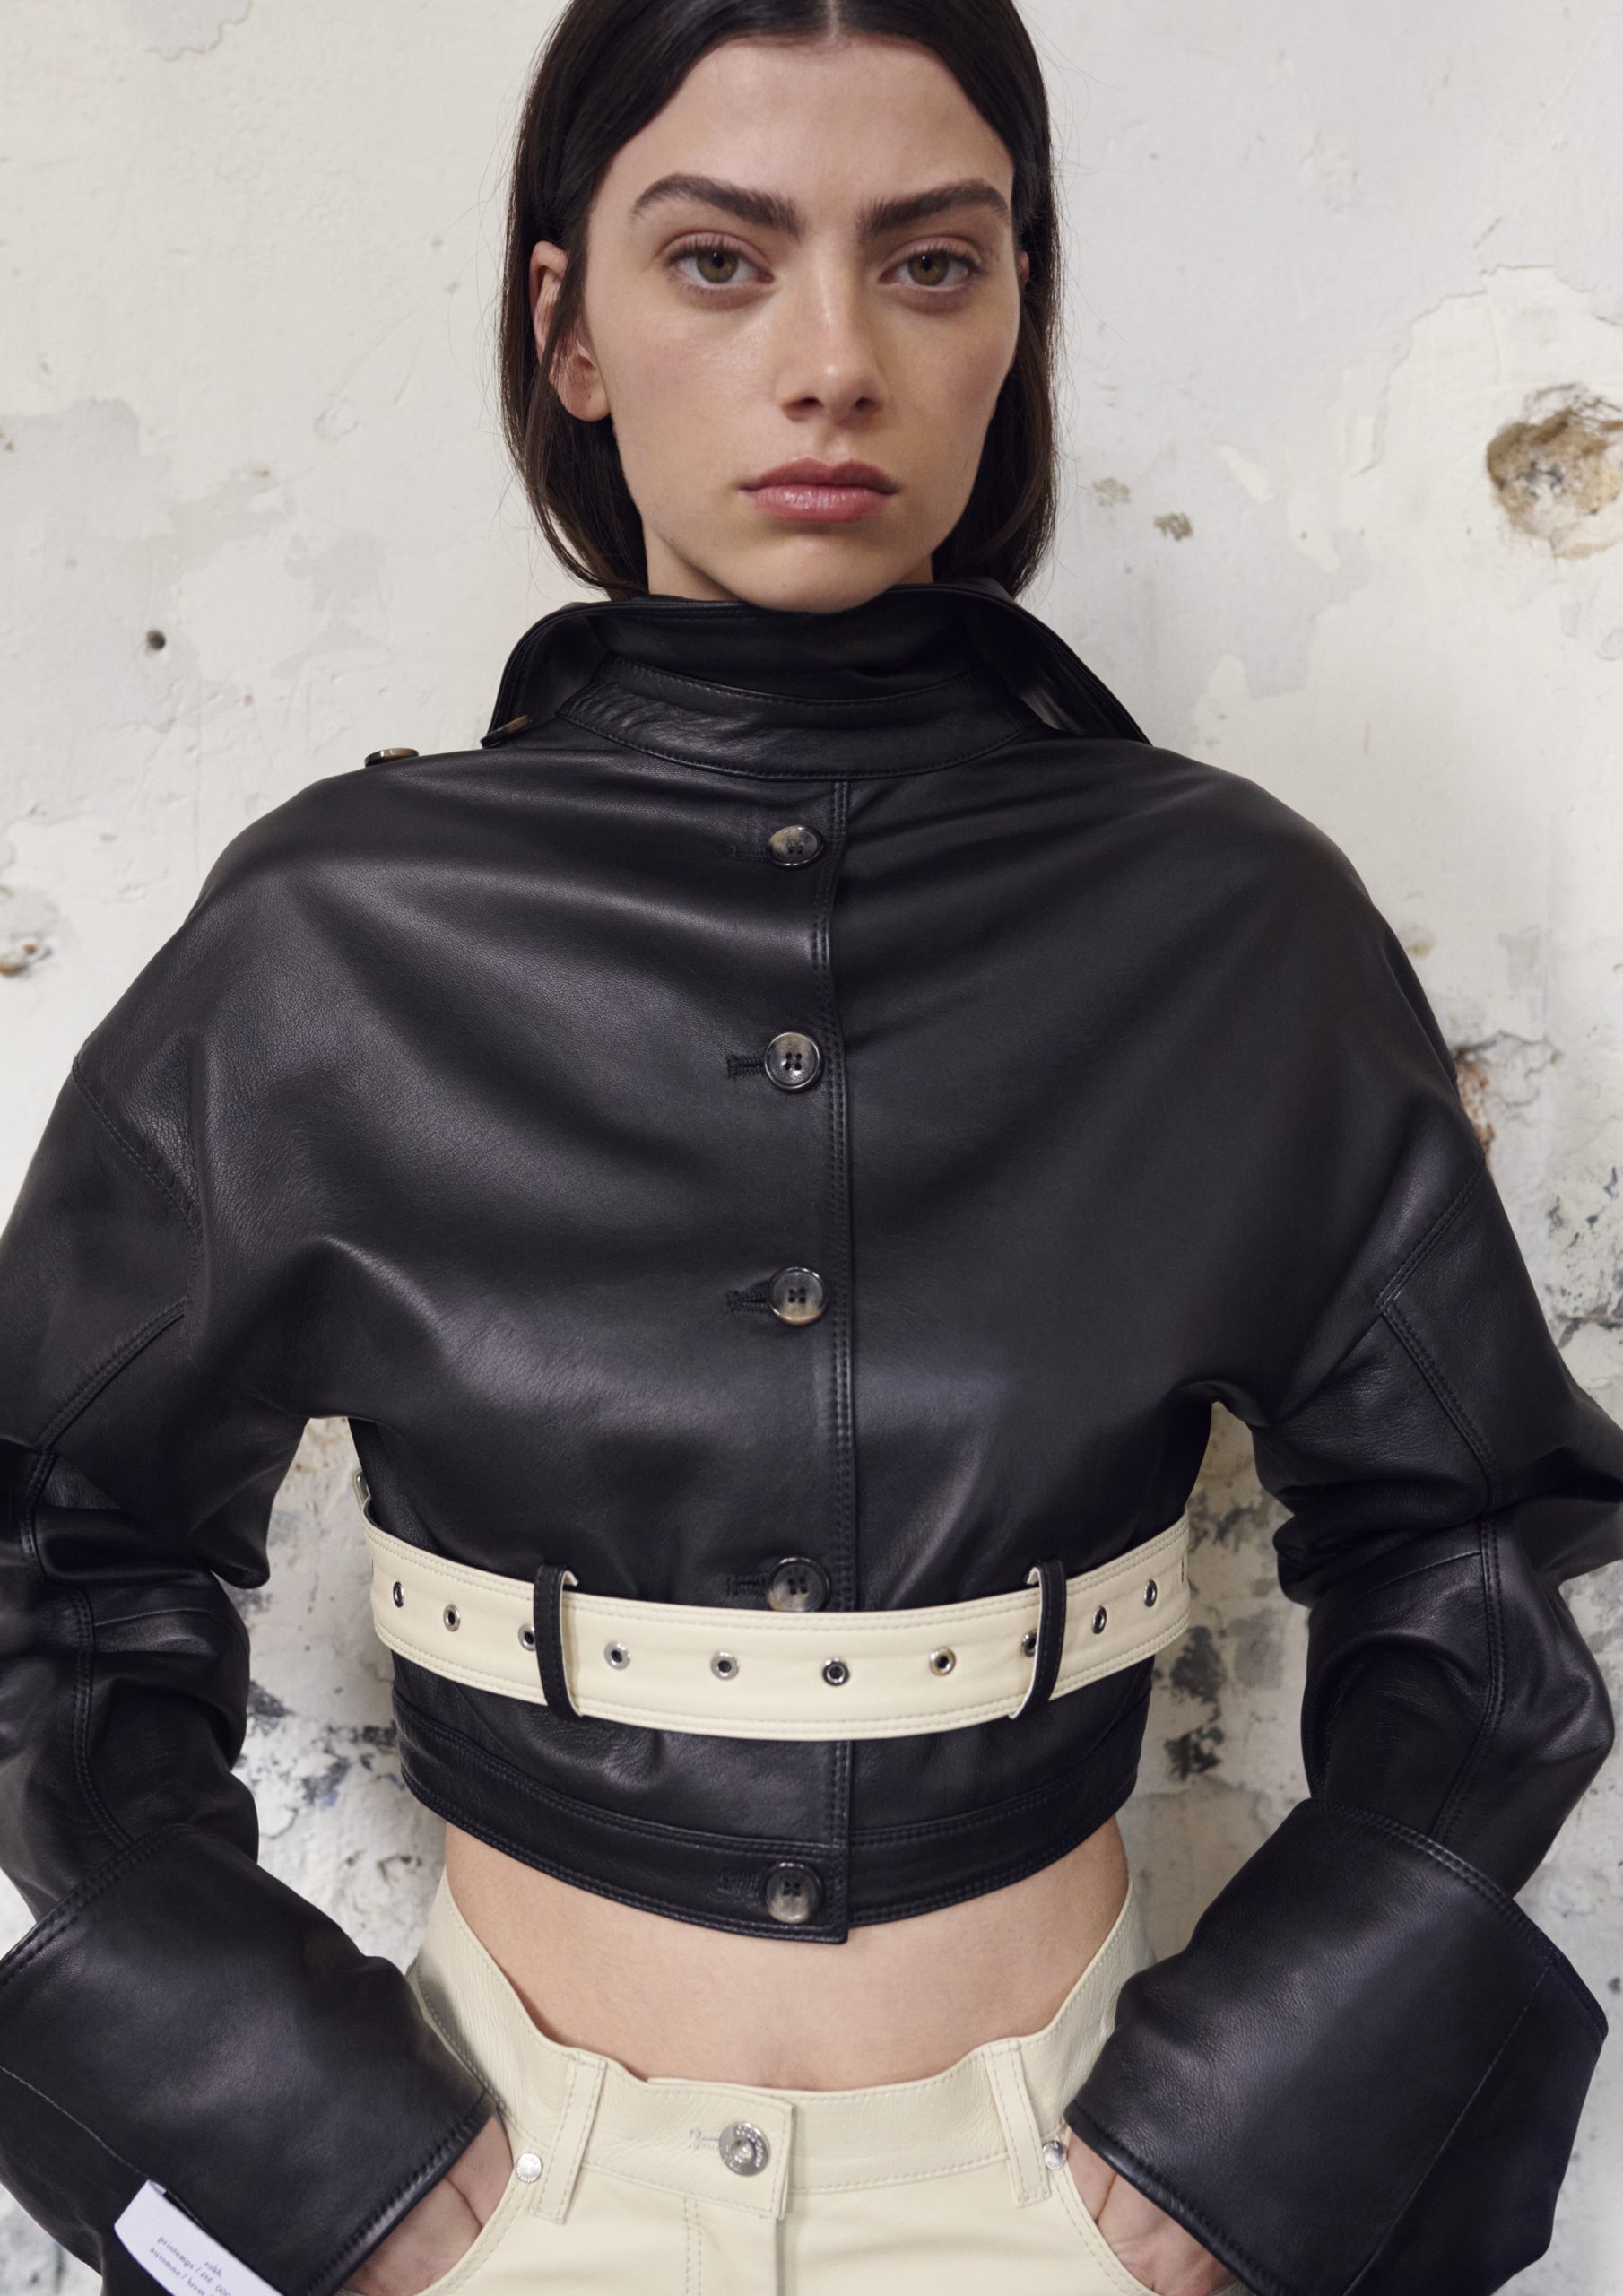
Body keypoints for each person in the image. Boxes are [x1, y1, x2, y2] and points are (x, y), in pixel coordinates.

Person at [0, 4, 1619, 2294]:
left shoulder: (1232, 920)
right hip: (475, 2202)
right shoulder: (326, 934)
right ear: (568, 325)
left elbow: (1465, 1545)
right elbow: (51, 1545)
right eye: (719, 260)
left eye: (929, 262)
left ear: (1016, 318)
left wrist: (1263, 2124)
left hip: (1084, 2199)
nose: (833, 362)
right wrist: (274, 2126)